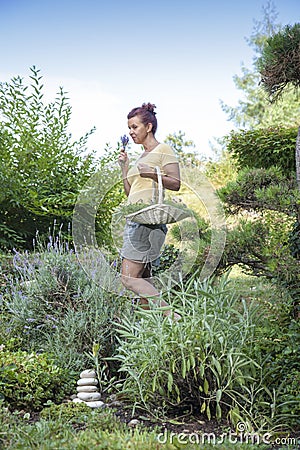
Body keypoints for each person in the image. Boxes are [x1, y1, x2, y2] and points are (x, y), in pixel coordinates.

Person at [118, 102, 181, 320]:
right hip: (135, 218)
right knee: (144, 281)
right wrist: (125, 168)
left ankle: (174, 318)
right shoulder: (140, 158)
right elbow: (130, 193)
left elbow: (176, 182)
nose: (131, 132)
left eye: (135, 127)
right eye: (129, 128)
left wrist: (153, 174)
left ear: (149, 126)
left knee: (128, 279)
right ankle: (153, 329)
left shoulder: (163, 150)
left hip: (147, 221)